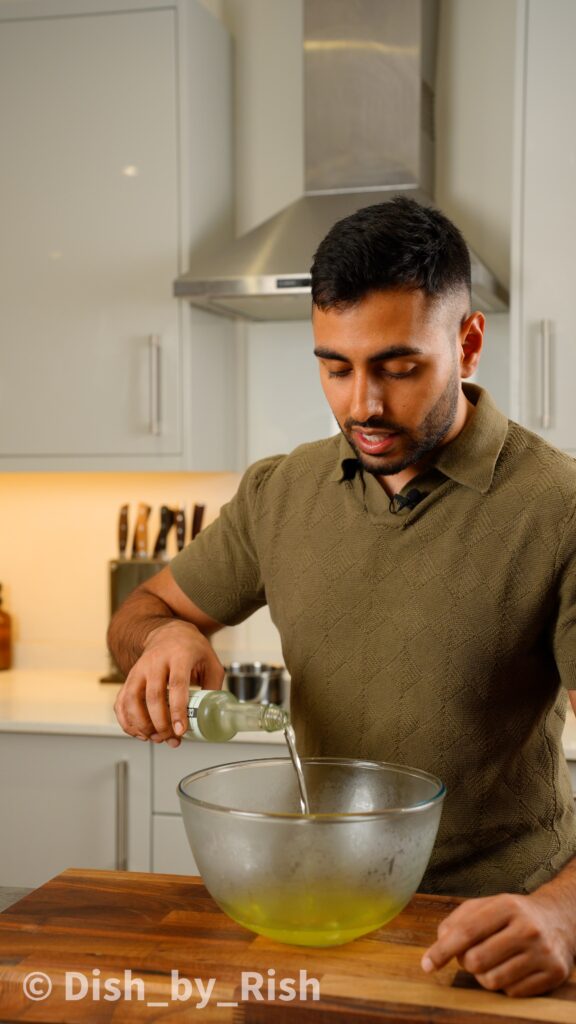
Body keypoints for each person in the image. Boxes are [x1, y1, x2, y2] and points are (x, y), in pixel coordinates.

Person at [109, 197, 576, 997]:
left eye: (398, 367)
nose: (362, 404)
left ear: (466, 342)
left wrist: (563, 917)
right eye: (335, 366)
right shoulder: (281, 491)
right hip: (320, 916)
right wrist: (166, 641)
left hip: (501, 931)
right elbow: (142, 612)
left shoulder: (558, 508)